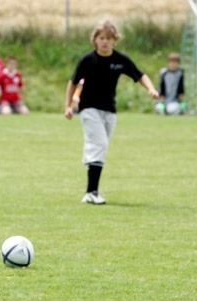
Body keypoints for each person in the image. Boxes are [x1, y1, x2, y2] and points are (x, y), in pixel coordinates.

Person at [64, 19, 159, 205]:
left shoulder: (120, 60)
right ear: (95, 40)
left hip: (110, 111)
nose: (105, 42)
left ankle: (90, 189)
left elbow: (140, 75)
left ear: (115, 40)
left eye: (109, 38)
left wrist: (151, 89)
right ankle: (92, 192)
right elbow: (72, 82)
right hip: (89, 108)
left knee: (99, 146)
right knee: (99, 144)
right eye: (101, 38)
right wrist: (68, 106)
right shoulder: (87, 60)